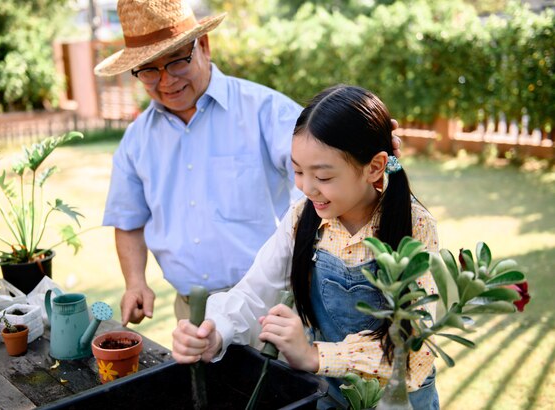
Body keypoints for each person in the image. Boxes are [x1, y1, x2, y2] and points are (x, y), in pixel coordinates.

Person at [95, 0, 402, 325]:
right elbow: (128, 220)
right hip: (191, 311)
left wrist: (367, 144)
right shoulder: (136, 139)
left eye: (176, 61)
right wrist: (135, 282)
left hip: (267, 304)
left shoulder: (265, 110)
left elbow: (330, 162)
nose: (166, 80)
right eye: (148, 69)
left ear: (204, 46)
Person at [172, 85, 439, 409]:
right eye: (298, 171)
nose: (307, 188)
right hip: (327, 396)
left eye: (323, 177)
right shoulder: (303, 218)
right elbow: (256, 292)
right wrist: (215, 332)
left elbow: (415, 352)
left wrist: (314, 355)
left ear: (375, 167)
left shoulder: (414, 227)